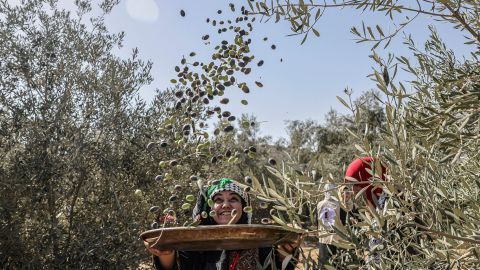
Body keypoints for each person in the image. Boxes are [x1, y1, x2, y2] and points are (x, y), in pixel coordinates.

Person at [145, 178, 299, 270]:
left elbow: (279, 266)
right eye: (218, 200)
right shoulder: (194, 245)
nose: (226, 205)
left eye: (233, 199)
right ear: (209, 208)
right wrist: (166, 253)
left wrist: (285, 249)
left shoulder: (260, 242)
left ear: (244, 208)